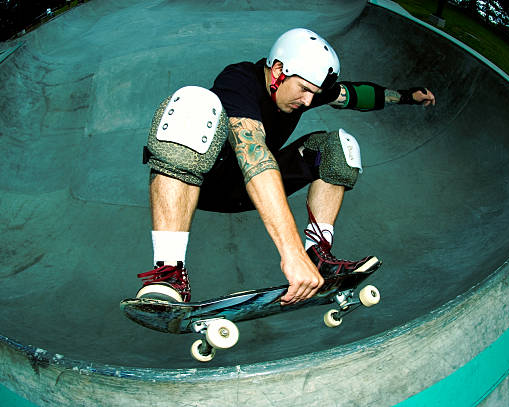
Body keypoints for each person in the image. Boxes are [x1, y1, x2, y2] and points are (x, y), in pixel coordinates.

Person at [136, 28, 435, 305]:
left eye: (314, 94)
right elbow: (255, 157)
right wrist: (289, 253)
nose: (307, 102)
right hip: (201, 185)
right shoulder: (239, 81)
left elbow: (353, 95)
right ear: (278, 70)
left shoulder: (303, 89)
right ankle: (170, 275)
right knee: (194, 103)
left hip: (248, 192)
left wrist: (407, 96)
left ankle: (318, 254)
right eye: (304, 90)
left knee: (337, 148)